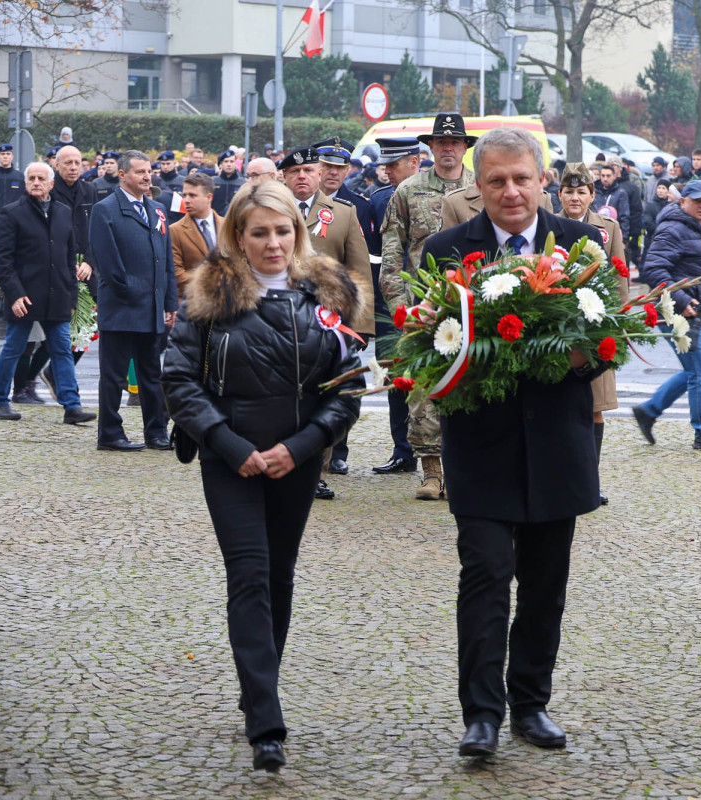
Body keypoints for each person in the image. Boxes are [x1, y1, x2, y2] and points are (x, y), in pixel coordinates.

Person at [161, 180, 364, 773]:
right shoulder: (211, 294)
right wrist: (228, 444)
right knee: (249, 573)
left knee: (278, 575)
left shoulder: (326, 291)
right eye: (260, 233)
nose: (273, 243)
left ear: (297, 232)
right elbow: (179, 380)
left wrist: (301, 448)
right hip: (230, 458)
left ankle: (257, 684)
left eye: (283, 231)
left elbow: (346, 390)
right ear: (238, 236)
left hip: (294, 459)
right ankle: (265, 717)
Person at [419, 127, 603, 760]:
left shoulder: (583, 245)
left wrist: (576, 353)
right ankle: (482, 714)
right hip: (482, 445)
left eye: (521, 178)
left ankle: (531, 702)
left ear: (542, 180)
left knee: (546, 582)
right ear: (478, 186)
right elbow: (433, 349)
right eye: (495, 180)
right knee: (486, 575)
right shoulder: (446, 252)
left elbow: (600, 347)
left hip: (557, 442)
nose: (510, 191)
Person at [382, 113, 477, 501]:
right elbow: (392, 254)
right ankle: (432, 471)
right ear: (431, 147)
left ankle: (466, 471)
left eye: (455, 143)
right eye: (441, 143)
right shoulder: (408, 190)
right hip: (424, 304)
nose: (448, 148)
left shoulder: (481, 187)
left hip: (471, 303)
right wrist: (401, 307)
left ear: (465, 147)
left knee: (471, 385)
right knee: (425, 387)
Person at [279, 146, 374, 494]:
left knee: (324, 397)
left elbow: (359, 270)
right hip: (279, 320)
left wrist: (360, 326)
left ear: (319, 174)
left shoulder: (344, 214)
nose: (302, 176)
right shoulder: (270, 209)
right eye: (295, 172)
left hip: (328, 324)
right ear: (284, 177)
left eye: (308, 170)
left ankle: (314, 473)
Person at [0, 163, 96, 424]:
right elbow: (2, 260)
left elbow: (68, 257)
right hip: (24, 297)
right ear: (26, 183)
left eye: (41, 178)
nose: (36, 182)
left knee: (61, 351)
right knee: (13, 348)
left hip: (58, 295)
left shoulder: (62, 212)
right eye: (31, 178)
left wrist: (71, 296)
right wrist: (14, 295)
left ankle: (72, 406)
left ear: (51, 184)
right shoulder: (11, 213)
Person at [88, 149, 179, 451]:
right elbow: (109, 264)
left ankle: (156, 432)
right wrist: (132, 292)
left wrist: (169, 303)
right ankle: (111, 434)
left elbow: (165, 261)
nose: (146, 176)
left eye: (149, 171)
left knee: (152, 374)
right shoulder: (106, 209)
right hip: (122, 308)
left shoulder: (156, 210)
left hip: (152, 309)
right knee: (113, 376)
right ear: (123, 175)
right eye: (139, 172)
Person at [556, 162, 629, 503]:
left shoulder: (608, 227)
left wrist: (620, 320)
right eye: (568, 191)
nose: (574, 197)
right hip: (556, 326)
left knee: (595, 407)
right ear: (560, 195)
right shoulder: (548, 225)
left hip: (596, 329)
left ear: (592, 195)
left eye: (581, 192)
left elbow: (619, 276)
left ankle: (589, 480)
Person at [633, 179, 701, 451]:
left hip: (691, 310)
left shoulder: (697, 227)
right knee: (700, 369)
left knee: (697, 368)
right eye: (698, 201)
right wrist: (682, 300)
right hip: (674, 311)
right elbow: (654, 270)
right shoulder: (673, 228)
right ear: (683, 202)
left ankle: (650, 410)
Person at [369, 137, 424, 477]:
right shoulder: (378, 201)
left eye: (394, 164)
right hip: (391, 304)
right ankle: (403, 450)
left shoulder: (444, 194)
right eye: (385, 165)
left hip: (431, 298)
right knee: (395, 379)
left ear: (415, 163)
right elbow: (376, 258)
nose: (386, 171)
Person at [170, 172, 222, 297]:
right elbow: (176, 273)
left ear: (209, 197)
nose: (186, 200)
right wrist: (212, 279)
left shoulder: (228, 225)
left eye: (192, 195)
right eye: (184, 195)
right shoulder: (175, 230)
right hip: (194, 304)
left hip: (228, 303)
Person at [0, 143, 26, 317]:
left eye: (8, 154)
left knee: (13, 262)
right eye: (2, 154)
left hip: (15, 228)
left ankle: (8, 297)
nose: (5, 157)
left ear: (12, 156)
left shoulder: (20, 178)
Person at [211, 150, 245, 215]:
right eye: (226, 161)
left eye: (232, 161)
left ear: (235, 164)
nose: (229, 164)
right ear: (221, 164)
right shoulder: (212, 182)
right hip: (216, 220)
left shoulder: (243, 183)